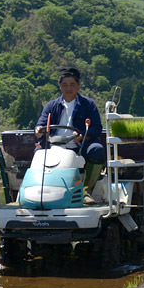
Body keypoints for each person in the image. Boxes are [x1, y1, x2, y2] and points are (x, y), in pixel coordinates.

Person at [35, 67, 106, 197]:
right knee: (38, 154)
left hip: (79, 146)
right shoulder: (51, 105)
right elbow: (40, 125)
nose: (69, 88)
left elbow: (97, 128)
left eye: (72, 84)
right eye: (65, 85)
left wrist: (82, 135)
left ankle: (86, 191)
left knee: (97, 150)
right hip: (54, 146)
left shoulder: (89, 105)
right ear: (60, 86)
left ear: (78, 85)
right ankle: (38, 192)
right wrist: (38, 130)